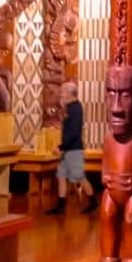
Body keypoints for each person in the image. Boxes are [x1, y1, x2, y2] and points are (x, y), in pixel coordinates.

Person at [47, 81, 95, 215]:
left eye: (63, 91)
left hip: (73, 149)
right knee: (61, 175)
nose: (61, 93)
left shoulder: (75, 108)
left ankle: (93, 201)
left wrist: (61, 147)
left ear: (69, 93)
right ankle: (61, 205)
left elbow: (74, 132)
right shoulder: (70, 107)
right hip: (68, 148)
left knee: (79, 176)